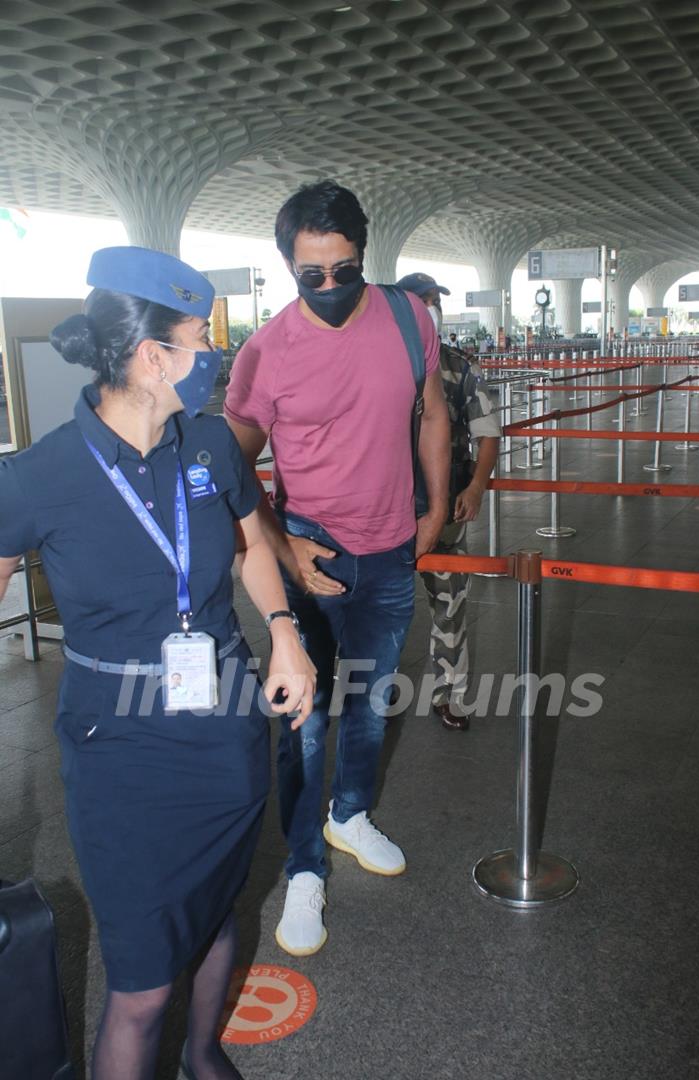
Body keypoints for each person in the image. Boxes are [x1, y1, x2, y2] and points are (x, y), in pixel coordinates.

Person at [0, 246, 316, 1080]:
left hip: (226, 733)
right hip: (121, 753)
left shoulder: (209, 445)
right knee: (140, 983)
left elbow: (249, 539)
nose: (213, 357)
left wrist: (283, 628)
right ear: (150, 358)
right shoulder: (38, 477)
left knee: (216, 917)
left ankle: (204, 1053)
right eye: (198, 341)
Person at [224, 180, 450, 957]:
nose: (327, 287)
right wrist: (284, 547)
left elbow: (433, 411)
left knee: (371, 703)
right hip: (309, 557)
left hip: (390, 550)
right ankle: (304, 868)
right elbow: (230, 476)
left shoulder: (406, 316)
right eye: (308, 275)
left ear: (365, 252)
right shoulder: (266, 351)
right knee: (306, 723)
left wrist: (437, 508)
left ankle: (349, 814)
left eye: (342, 270)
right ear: (288, 267)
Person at [396, 272, 501, 731]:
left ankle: (450, 696)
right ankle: (371, 698)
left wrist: (476, 485)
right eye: (426, 300)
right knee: (381, 611)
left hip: (446, 512)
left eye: (436, 301)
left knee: (450, 606)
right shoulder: (379, 362)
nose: (433, 307)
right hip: (385, 510)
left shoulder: (458, 367)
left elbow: (488, 433)